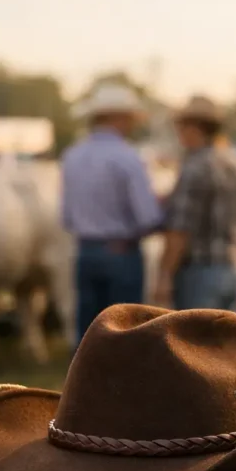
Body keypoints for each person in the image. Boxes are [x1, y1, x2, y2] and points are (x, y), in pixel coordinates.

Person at [61, 83, 164, 342]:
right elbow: (148, 217)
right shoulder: (127, 157)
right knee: (125, 331)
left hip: (86, 249)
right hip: (122, 251)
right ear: (118, 118)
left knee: (88, 330)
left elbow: (67, 216)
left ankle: (84, 380)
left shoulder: (73, 156)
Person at [156, 95, 236, 312]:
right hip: (231, 268)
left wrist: (164, 275)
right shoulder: (234, 164)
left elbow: (179, 229)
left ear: (194, 128)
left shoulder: (194, 168)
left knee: (194, 342)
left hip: (199, 271)